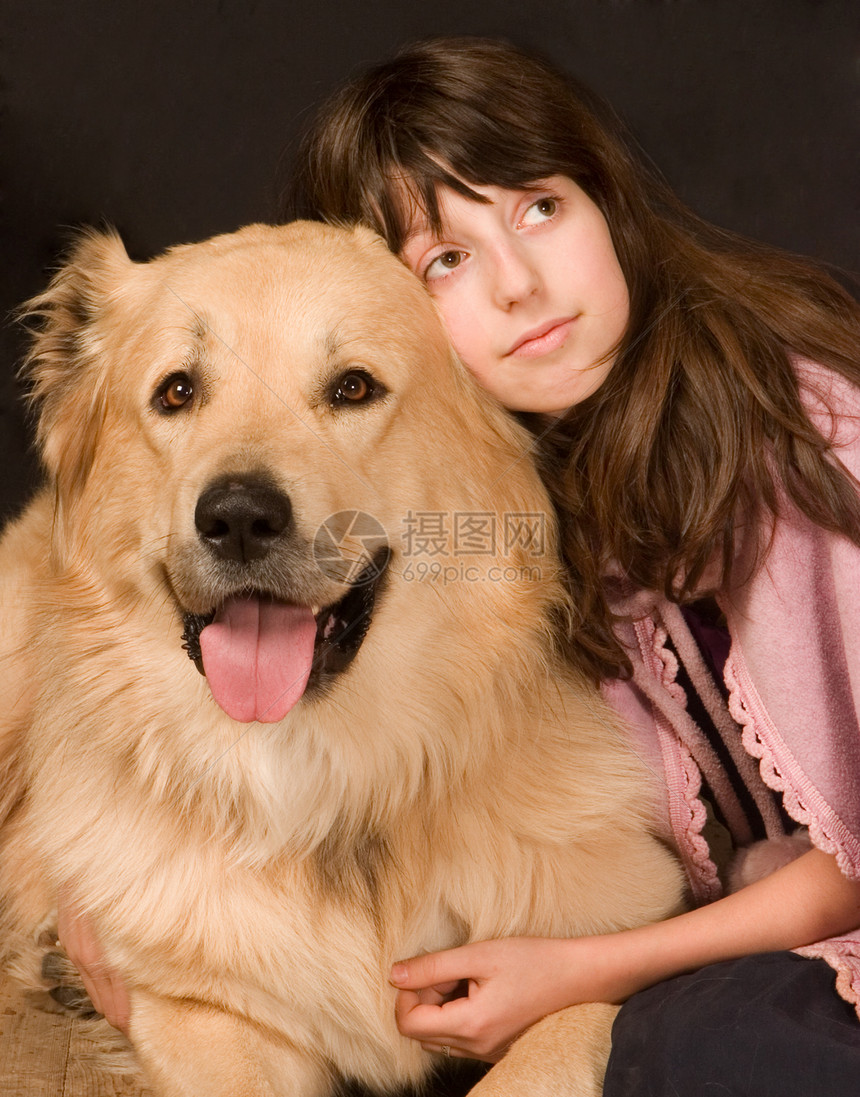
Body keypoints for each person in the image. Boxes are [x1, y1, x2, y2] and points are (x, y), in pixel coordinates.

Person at [64, 36, 860, 1095]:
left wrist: (583, 967)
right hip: (743, 912)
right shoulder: (511, 501)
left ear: (607, 200)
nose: (521, 285)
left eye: (538, 207)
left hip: (817, 914)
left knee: (701, 1048)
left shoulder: (817, 448)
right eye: (446, 260)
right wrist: (93, 868)